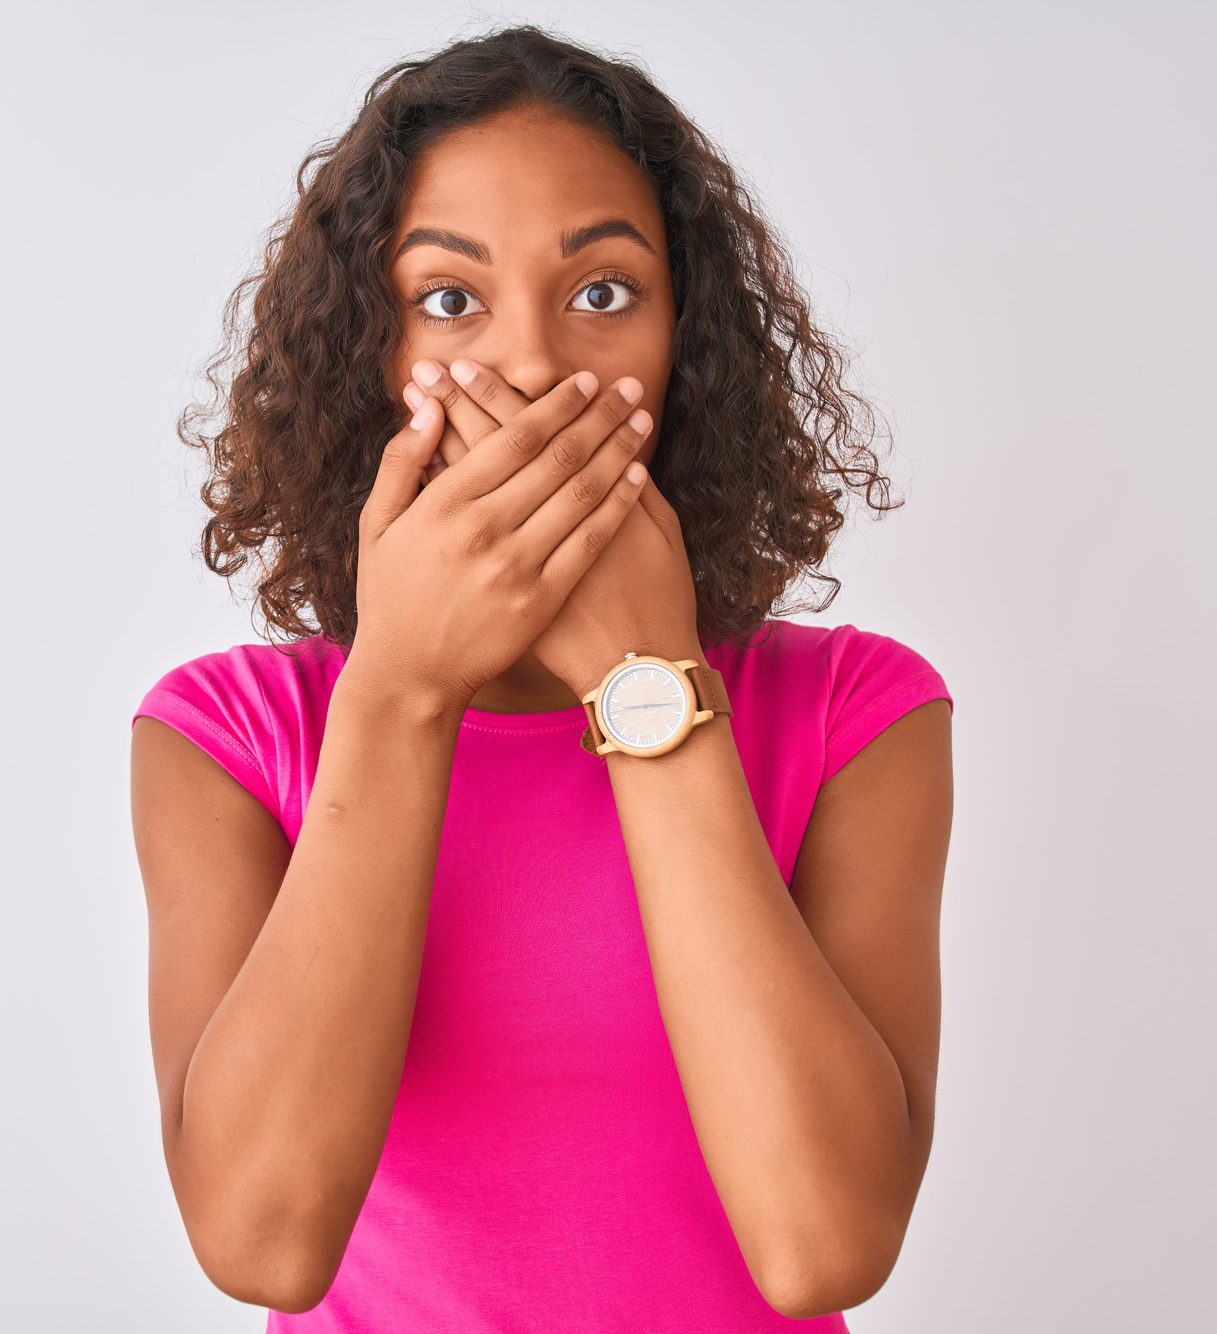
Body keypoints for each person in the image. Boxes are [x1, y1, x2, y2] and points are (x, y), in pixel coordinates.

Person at [130, 26, 952, 1331]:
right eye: (450, 299)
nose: (533, 368)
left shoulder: (857, 716)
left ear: (685, 341)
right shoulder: (229, 737)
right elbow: (264, 1241)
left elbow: (823, 1245)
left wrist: (648, 680)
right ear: (375, 357)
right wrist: (400, 689)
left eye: (604, 291)